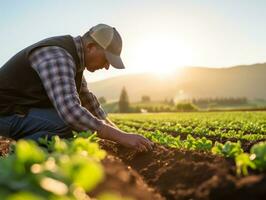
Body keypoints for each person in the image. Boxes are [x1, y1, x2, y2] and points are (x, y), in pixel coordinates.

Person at [0, 24, 153, 152]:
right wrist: (120, 137)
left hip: (15, 110)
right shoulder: (59, 57)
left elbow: (88, 102)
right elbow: (70, 112)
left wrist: (121, 134)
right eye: (106, 59)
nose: (106, 67)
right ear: (91, 47)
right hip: (4, 111)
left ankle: (25, 150)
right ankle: (18, 158)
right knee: (63, 125)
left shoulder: (75, 61)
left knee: (67, 126)